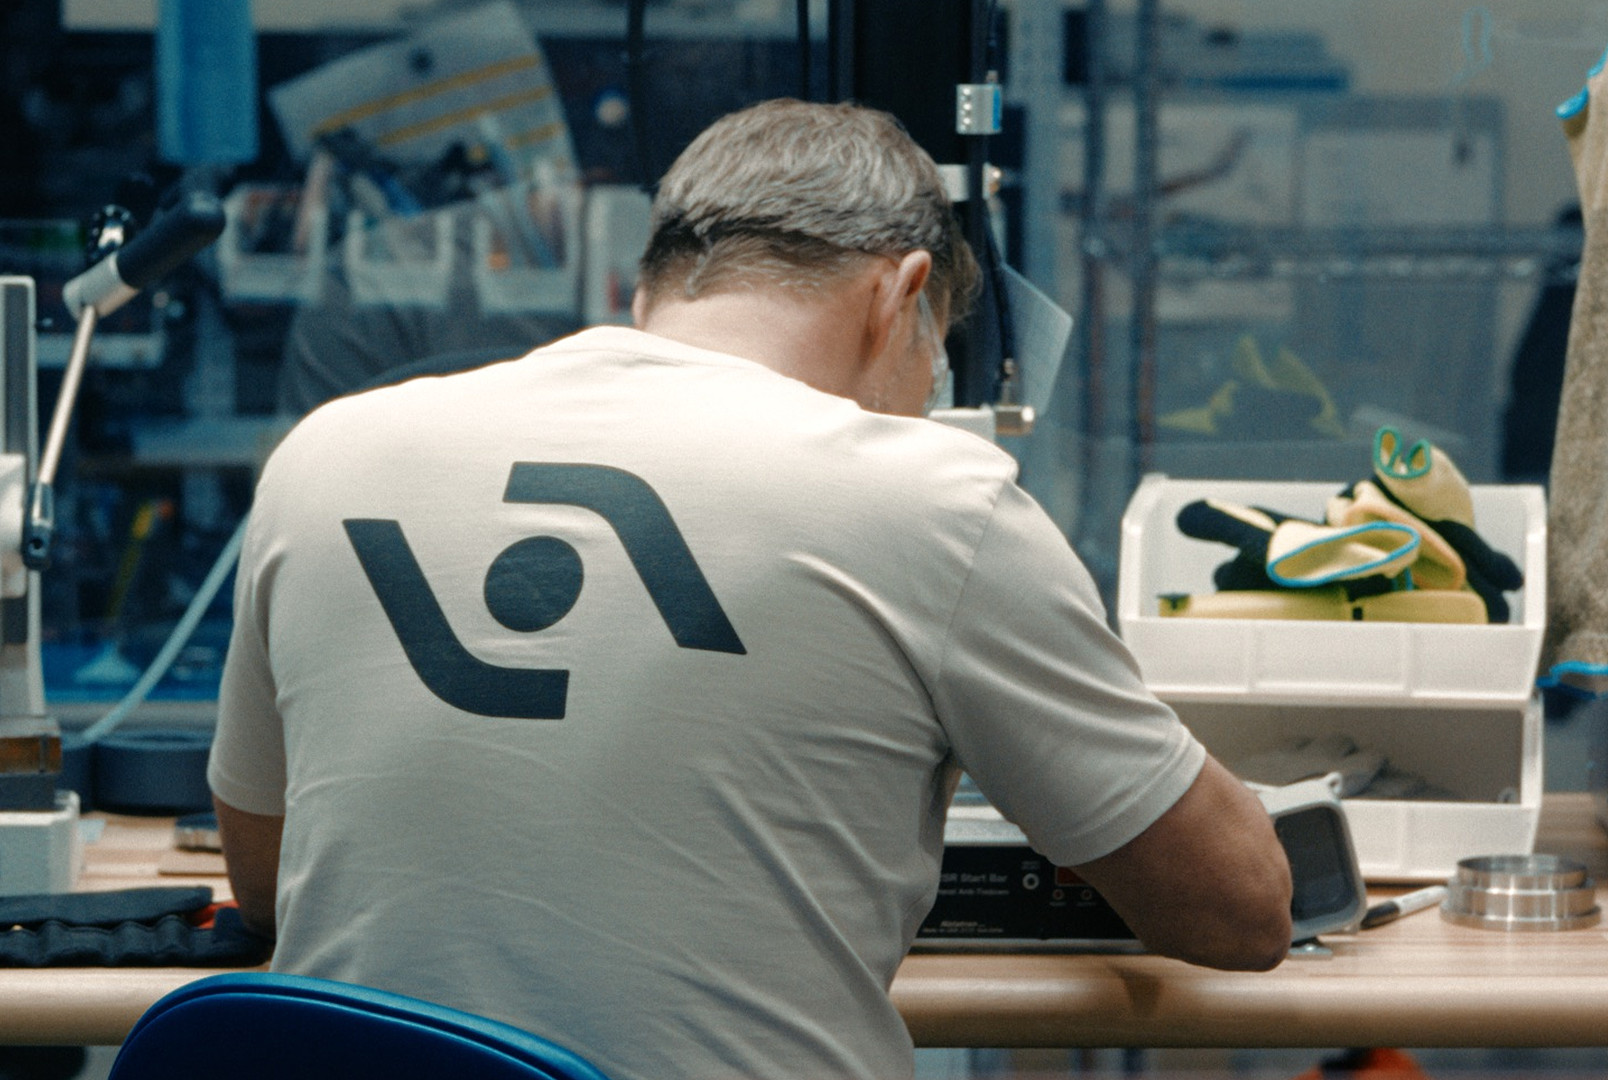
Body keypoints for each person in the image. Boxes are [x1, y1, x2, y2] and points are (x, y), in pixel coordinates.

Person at [209, 99, 1292, 1080]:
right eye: (937, 356)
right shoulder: (928, 499)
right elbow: (1239, 915)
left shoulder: (329, 455)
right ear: (902, 292)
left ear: (661, 280)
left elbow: (265, 884)